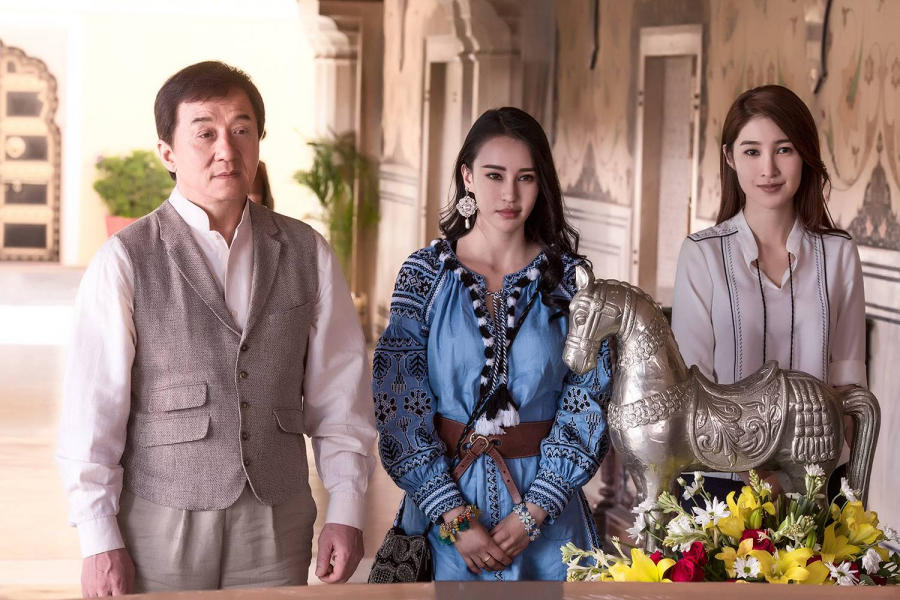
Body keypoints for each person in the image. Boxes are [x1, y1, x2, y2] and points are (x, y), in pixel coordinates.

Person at [56, 61, 376, 595]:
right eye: (205, 133)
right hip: (160, 515)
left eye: (242, 130)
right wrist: (97, 536)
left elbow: (340, 393)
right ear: (168, 153)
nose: (226, 149)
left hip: (277, 517)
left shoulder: (307, 251)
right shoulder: (125, 259)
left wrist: (346, 507)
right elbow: (92, 409)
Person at [372, 107, 612, 581]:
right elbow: (399, 405)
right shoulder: (424, 275)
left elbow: (589, 398)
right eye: (494, 175)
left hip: (550, 523)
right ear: (467, 177)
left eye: (526, 177)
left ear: (541, 183)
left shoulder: (572, 281)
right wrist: (454, 518)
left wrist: (536, 510)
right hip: (445, 515)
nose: (509, 194)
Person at [672, 84, 866, 496]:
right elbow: (694, 390)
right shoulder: (702, 254)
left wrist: (805, 479)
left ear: (805, 155)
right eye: (752, 151)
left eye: (784, 149)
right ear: (730, 157)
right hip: (721, 484)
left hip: (816, 483)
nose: (768, 169)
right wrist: (756, 479)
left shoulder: (839, 254)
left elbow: (848, 389)